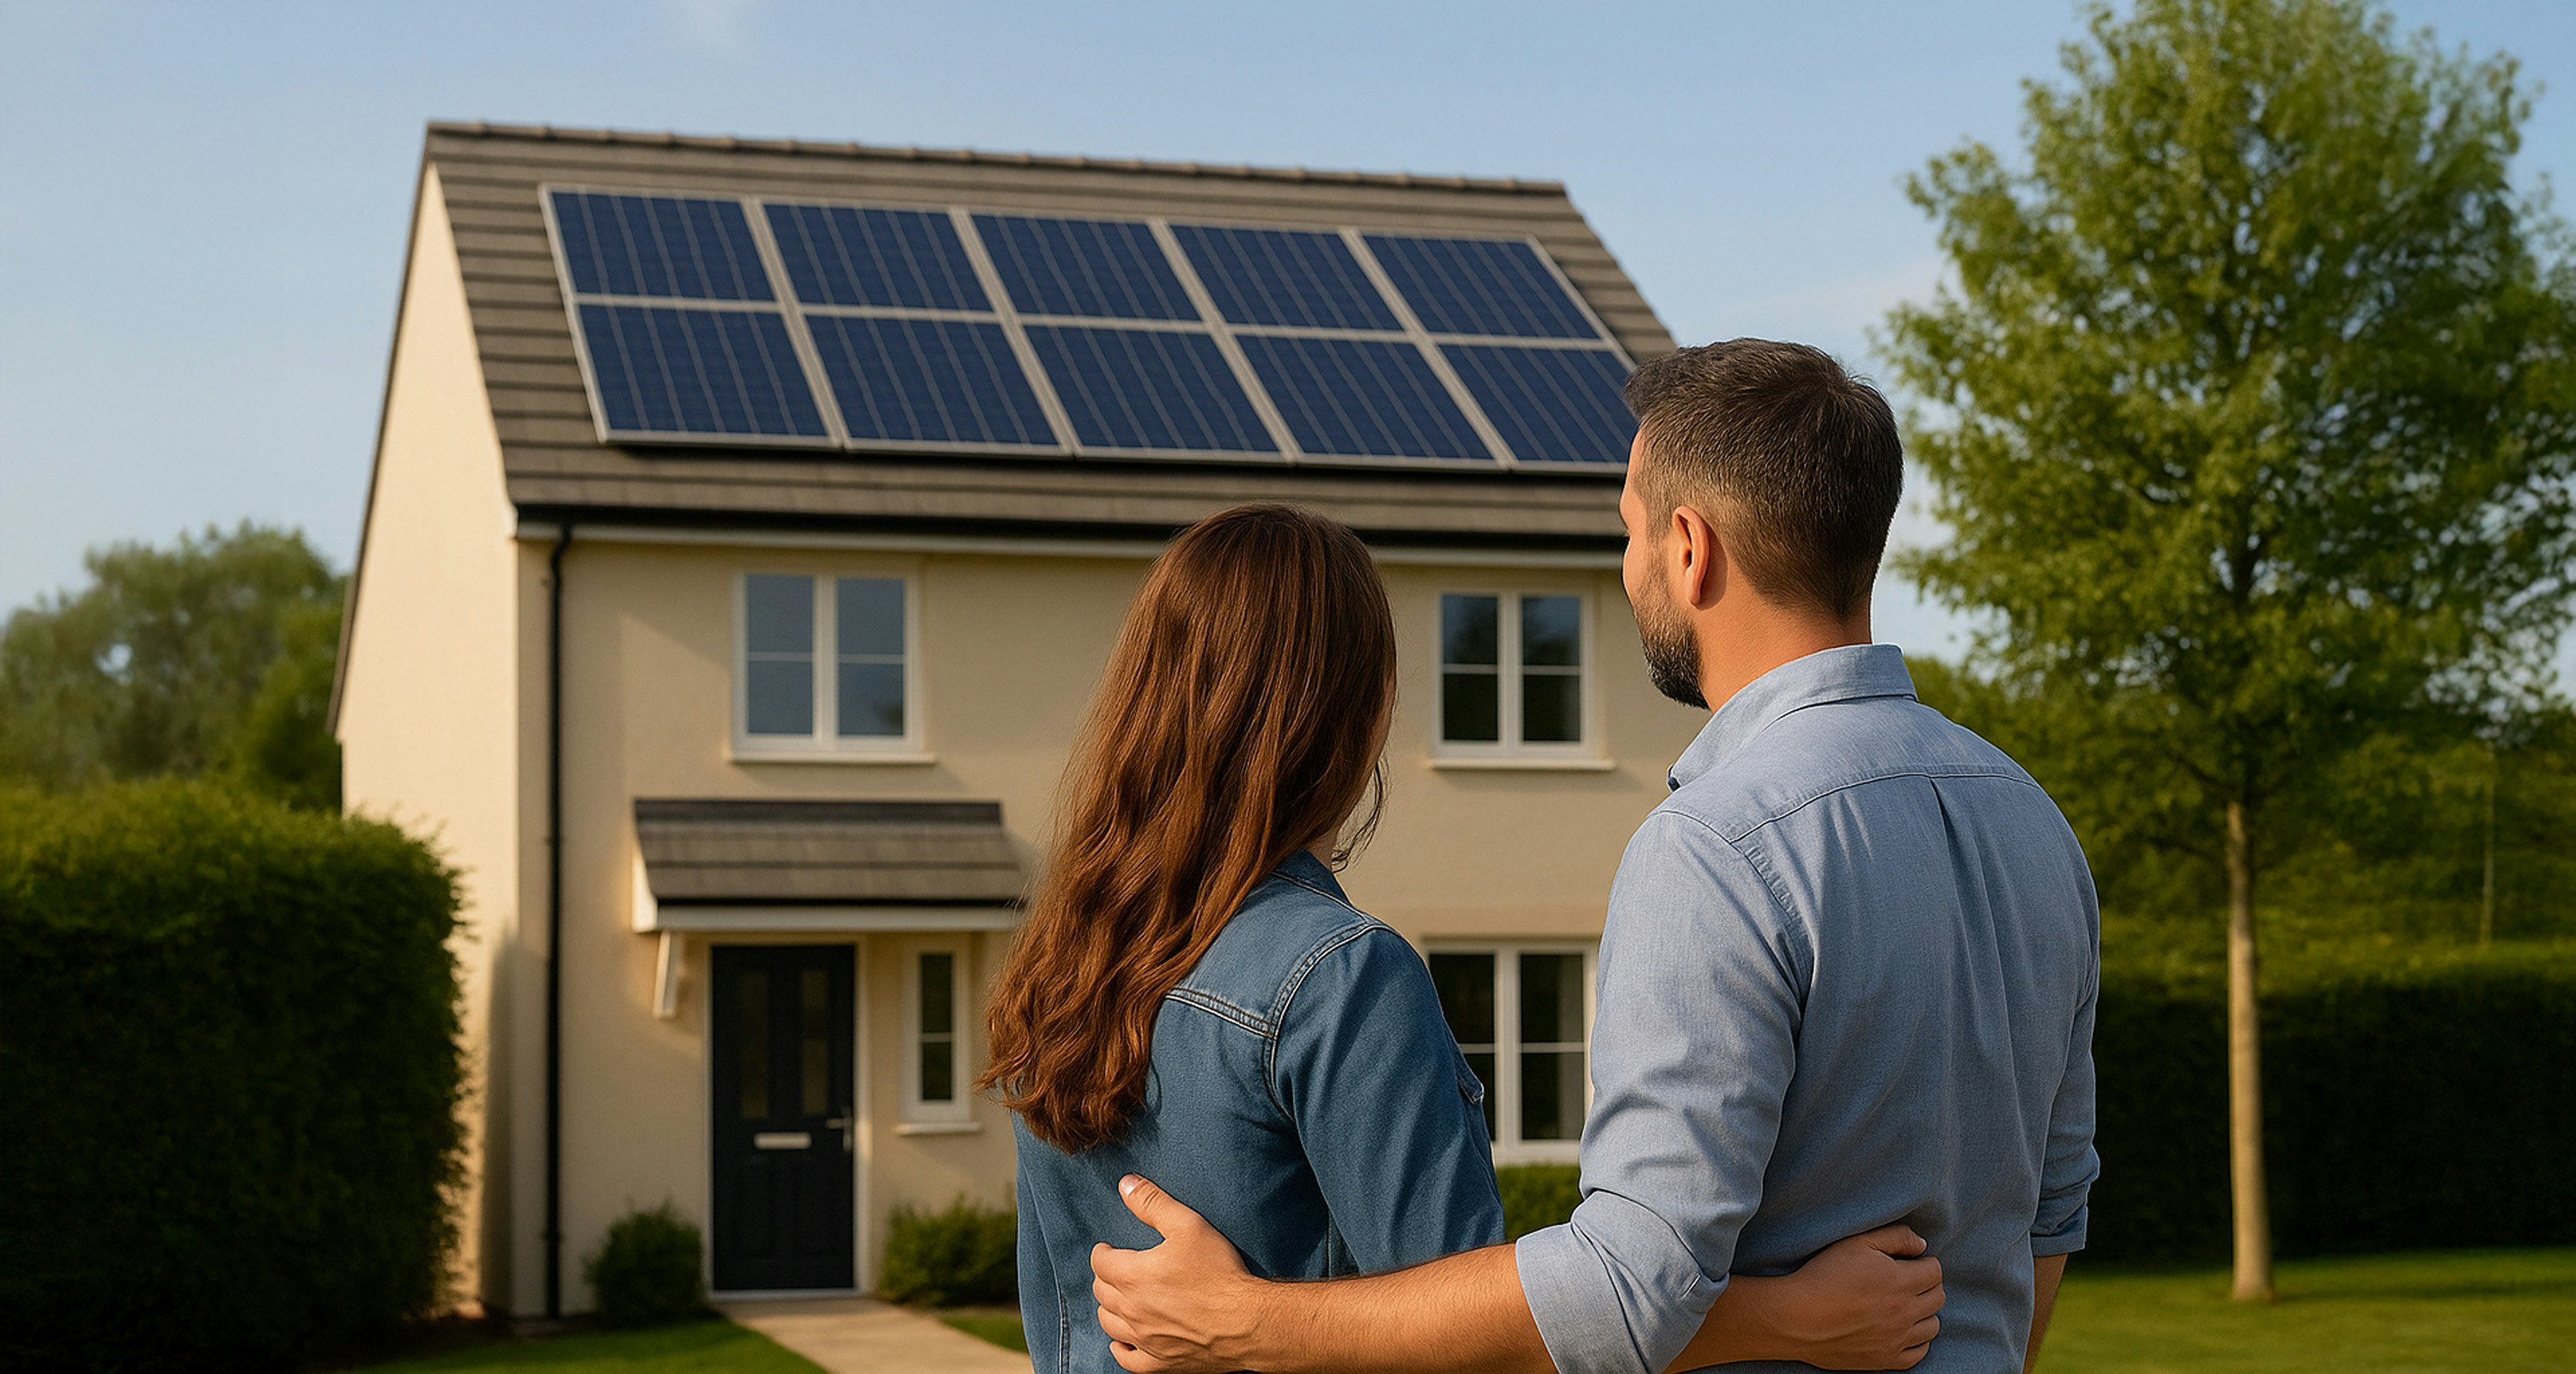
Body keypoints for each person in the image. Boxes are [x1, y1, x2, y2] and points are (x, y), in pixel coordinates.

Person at [1089, 342, 2102, 1374]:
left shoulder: (1714, 848)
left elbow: (1628, 1285)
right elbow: (2050, 1213)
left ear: (1690, 548)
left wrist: (1251, 1322)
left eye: (1629, 534)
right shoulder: (2037, 825)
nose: (1627, 571)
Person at [984, 502, 1952, 1374]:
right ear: (1355, 716)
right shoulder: (1337, 979)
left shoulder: (1066, 970)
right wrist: (1789, 1318)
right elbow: (1475, 1348)